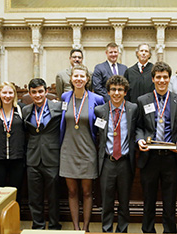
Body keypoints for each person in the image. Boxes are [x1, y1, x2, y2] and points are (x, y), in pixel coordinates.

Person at [136, 61, 177, 233]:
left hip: (170, 158)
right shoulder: (143, 100)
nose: (162, 80)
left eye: (165, 77)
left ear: (169, 78)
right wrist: (140, 140)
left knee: (169, 201)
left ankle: (169, 231)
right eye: (158, 77)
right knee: (148, 200)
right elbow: (139, 127)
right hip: (149, 158)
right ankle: (148, 230)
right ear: (153, 79)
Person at [60, 64, 105, 231]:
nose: (79, 79)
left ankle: (86, 228)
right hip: (68, 150)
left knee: (87, 192)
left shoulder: (97, 99)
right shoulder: (65, 97)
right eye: (76, 76)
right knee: (72, 193)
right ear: (71, 79)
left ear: (87, 79)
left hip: (88, 151)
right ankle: (76, 228)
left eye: (82, 76)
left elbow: (101, 126)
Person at [94, 75, 138, 233]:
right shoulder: (100, 110)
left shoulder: (133, 109)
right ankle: (106, 230)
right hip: (107, 161)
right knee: (107, 201)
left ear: (125, 92)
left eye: (120, 89)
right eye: (113, 89)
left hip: (125, 161)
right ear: (108, 92)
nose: (116, 93)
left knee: (124, 202)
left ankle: (122, 230)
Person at [22, 78, 62, 230]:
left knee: (53, 196)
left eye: (40, 91)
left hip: (52, 157)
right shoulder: (26, 110)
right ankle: (37, 226)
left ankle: (53, 226)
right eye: (34, 92)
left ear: (46, 91)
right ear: (30, 94)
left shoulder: (57, 108)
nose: (37, 95)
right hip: (33, 158)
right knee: (34, 197)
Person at [0, 82, 25, 204]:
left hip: (17, 157)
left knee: (16, 191)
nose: (7, 95)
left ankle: (14, 221)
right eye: (4, 92)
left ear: (14, 94)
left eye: (10, 92)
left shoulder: (21, 109)